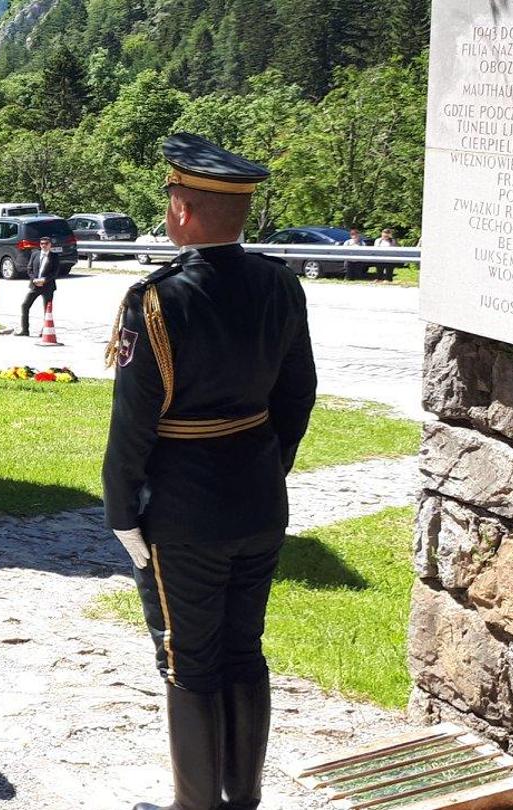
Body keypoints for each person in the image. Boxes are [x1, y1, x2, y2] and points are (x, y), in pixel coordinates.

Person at [105, 133, 317, 810]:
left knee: (188, 657)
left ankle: (195, 807)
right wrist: (264, 465)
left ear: (183, 212)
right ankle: (241, 800)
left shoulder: (158, 298)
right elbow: (297, 396)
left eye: (171, 199)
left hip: (183, 511)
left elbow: (134, 422)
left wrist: (120, 511)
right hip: (259, 498)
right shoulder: (281, 283)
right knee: (244, 650)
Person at [17, 236, 63, 336]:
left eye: (46, 243)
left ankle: (45, 331)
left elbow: (55, 273)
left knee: (47, 310)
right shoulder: (35, 254)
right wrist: (34, 279)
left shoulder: (54, 257)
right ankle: (25, 330)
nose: (44, 245)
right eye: (42, 243)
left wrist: (44, 280)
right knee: (25, 305)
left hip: (48, 287)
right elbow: (29, 268)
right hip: (35, 286)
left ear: (50, 245)